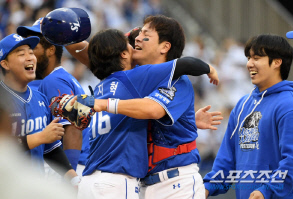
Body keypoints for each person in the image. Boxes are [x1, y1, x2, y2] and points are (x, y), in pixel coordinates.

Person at [62, 15, 222, 198]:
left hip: (175, 183)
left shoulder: (176, 79)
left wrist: (103, 103)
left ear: (165, 46)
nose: (137, 38)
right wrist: (59, 33)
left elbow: (153, 109)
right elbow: (97, 53)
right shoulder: (130, 78)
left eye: (146, 34)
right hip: (139, 184)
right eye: (133, 38)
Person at [203, 34, 293, 199]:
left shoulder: (290, 105)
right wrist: (206, 188)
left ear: (277, 62)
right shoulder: (242, 104)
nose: (249, 64)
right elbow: (227, 157)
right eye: (248, 58)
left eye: (256, 58)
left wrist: (267, 190)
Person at [0, 33, 79, 184]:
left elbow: (50, 147)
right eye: (21, 54)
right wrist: (41, 137)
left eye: (31, 52)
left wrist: (71, 176)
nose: (30, 57)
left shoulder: (40, 98)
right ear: (5, 64)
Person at [17, 16, 88, 174]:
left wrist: (70, 175)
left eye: (34, 47)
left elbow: (73, 128)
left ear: (50, 50)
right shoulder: (62, 78)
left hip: (66, 165)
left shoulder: (54, 81)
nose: (30, 54)